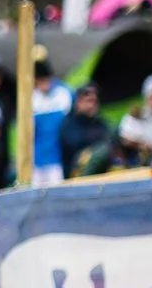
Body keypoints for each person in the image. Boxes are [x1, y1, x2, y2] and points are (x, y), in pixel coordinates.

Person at [28, 53, 71, 187]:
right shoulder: (32, 98)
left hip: (58, 159)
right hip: (37, 160)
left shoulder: (63, 94)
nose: (44, 84)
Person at [56, 83, 113, 179]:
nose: (92, 105)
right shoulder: (69, 124)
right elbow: (73, 143)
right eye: (89, 101)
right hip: (75, 177)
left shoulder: (101, 123)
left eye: (95, 102)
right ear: (78, 102)